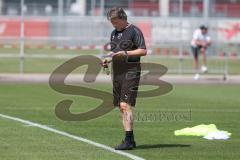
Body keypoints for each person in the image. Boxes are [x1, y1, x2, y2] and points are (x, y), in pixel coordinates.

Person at [102, 7, 147, 150]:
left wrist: (126, 53)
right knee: (121, 107)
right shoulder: (114, 33)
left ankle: (128, 140)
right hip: (118, 73)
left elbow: (143, 50)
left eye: (115, 21)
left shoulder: (134, 30)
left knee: (125, 105)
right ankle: (130, 140)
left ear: (123, 18)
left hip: (131, 72)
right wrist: (107, 59)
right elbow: (115, 52)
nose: (113, 24)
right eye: (111, 22)